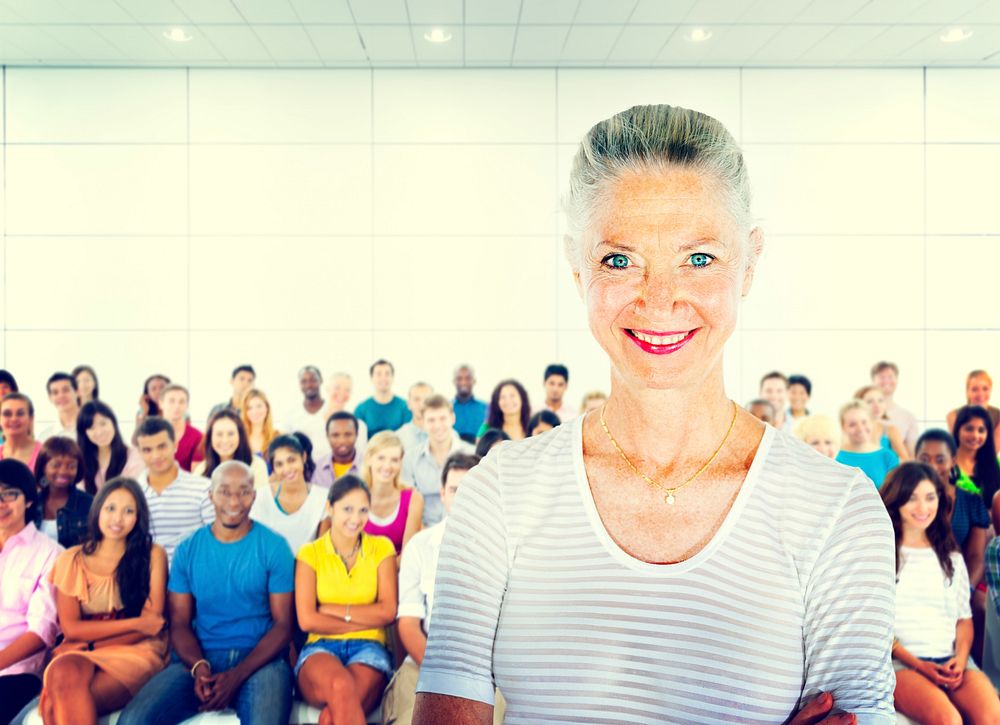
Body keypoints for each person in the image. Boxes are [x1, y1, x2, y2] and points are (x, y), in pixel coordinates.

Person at [413, 104, 895, 724]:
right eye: (620, 259)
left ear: (750, 263)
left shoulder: (833, 509)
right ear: (577, 265)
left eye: (699, 258)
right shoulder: (502, 492)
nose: (661, 297)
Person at [117, 461, 295, 725]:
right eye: (224, 491)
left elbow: (283, 626)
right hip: (200, 657)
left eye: (244, 491)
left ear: (254, 496)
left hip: (259, 660)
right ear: (210, 495)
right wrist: (199, 668)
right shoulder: (188, 548)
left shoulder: (274, 546)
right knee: (133, 720)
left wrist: (236, 676)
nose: (234, 500)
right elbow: (179, 622)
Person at [383, 452, 505, 725]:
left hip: (488, 674)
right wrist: (444, 677)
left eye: (470, 489)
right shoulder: (420, 546)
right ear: (442, 493)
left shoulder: (505, 548)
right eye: (454, 489)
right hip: (422, 665)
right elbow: (409, 625)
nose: (462, 496)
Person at [39, 478, 169, 725]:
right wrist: (135, 623)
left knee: (57, 707)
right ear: (97, 509)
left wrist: (90, 645)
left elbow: (150, 628)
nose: (117, 519)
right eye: (110, 508)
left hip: (136, 649)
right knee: (63, 671)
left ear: (138, 517)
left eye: (128, 511)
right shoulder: (71, 559)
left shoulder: (152, 554)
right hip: (80, 647)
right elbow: (72, 628)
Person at [882, 462, 1000, 723]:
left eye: (930, 497)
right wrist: (921, 665)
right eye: (912, 498)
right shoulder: (881, 555)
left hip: (951, 660)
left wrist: (960, 658)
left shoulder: (952, 559)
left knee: (993, 716)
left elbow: (964, 620)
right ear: (896, 501)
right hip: (902, 664)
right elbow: (876, 627)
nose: (923, 508)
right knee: (949, 720)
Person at [295, 475, 398, 724]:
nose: (356, 518)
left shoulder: (382, 548)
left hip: (370, 650)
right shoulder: (310, 553)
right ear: (330, 508)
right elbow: (308, 621)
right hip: (320, 648)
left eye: (363, 510)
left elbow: (387, 611)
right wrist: (366, 619)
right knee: (341, 685)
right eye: (347, 509)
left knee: (331, 717)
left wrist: (332, 610)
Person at [917, 428, 990, 667]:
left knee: (976, 608)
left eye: (940, 459)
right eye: (924, 459)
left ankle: (975, 667)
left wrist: (963, 591)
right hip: (920, 582)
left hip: (964, 579)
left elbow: (975, 555)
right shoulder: (908, 502)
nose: (932, 466)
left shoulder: (971, 502)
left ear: (953, 461)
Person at [0, 459, 62, 725]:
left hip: (16, 673)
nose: (1, 503)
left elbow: (41, 633)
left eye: (9, 494)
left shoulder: (50, 554)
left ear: (28, 500)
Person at [134, 418, 213, 562]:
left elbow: (214, 543)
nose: (156, 455)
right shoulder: (132, 494)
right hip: (145, 577)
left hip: (192, 577)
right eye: (147, 450)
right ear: (139, 452)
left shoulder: (204, 489)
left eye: (162, 446)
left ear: (175, 445)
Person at [250, 435, 328, 554]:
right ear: (273, 468)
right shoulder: (261, 497)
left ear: (304, 457)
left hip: (309, 568)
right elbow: (257, 546)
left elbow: (323, 550)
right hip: (270, 569)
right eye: (279, 464)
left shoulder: (322, 497)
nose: (287, 469)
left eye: (291, 460)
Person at [402, 397, 471, 528]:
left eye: (442, 418)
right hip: (423, 532)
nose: (438, 425)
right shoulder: (411, 458)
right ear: (423, 423)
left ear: (452, 419)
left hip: (463, 530)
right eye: (431, 420)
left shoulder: (471, 454)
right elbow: (408, 505)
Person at [363, 431, 424, 553]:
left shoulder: (413, 499)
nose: (387, 466)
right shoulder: (354, 497)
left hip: (400, 570)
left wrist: (385, 570)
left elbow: (408, 554)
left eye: (394, 460)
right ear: (369, 459)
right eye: (381, 458)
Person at [193, 410, 270, 494]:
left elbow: (260, 503)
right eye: (219, 434)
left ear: (240, 436)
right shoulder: (201, 470)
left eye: (231, 434)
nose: (225, 440)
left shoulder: (257, 466)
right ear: (210, 438)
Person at [33, 437, 91, 547]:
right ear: (43, 467)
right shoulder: (31, 503)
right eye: (56, 465)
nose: (63, 471)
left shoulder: (89, 504)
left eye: (71, 466)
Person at [78, 401, 144, 495]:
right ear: (84, 433)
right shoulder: (81, 462)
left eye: (103, 424)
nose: (99, 432)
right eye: (91, 428)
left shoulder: (134, 457)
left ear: (113, 422)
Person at [835, 400, 900, 488]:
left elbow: (896, 496)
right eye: (852, 424)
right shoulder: (836, 458)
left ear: (871, 423)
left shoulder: (888, 457)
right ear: (843, 427)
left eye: (864, 422)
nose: (860, 428)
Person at [952, 404, 1000, 507]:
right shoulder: (947, 467)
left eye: (981, 430)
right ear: (957, 430)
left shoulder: (996, 465)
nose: (975, 435)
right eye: (969, 429)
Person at [283, 366, 333, 461]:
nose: (309, 385)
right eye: (304, 381)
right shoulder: (291, 415)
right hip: (304, 468)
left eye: (313, 380)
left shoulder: (332, 410)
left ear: (321, 380)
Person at [871, 361, 919, 454]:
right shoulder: (862, 414)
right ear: (873, 381)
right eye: (882, 377)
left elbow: (912, 454)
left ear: (897, 380)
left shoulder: (908, 416)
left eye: (890, 377)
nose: (886, 381)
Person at [355, 360, 411, 436]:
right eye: (378, 374)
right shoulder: (361, 409)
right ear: (372, 378)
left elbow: (408, 437)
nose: (383, 378)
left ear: (392, 377)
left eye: (387, 374)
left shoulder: (405, 407)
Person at [947, 370, 1000, 450]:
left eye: (985, 389)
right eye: (975, 389)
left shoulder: (998, 416)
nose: (980, 394)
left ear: (991, 390)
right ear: (967, 392)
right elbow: (957, 447)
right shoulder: (953, 416)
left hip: (988, 461)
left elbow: (993, 450)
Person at [855, 385, 909, 461]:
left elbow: (905, 461)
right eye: (870, 401)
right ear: (858, 405)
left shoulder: (890, 430)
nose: (877, 405)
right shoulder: (851, 432)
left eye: (880, 400)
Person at [157, 384, 204, 472]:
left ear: (187, 406)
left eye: (182, 402)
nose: (177, 406)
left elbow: (196, 473)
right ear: (161, 403)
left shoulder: (197, 436)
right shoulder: (150, 433)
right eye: (171, 401)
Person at [311, 412, 364, 489]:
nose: (342, 441)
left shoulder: (367, 464)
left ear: (356, 435)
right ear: (327, 436)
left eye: (348, 434)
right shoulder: (319, 467)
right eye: (335, 435)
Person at [1, 393, 42, 470]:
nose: (14, 419)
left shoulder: (45, 454)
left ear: (31, 419)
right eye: (7, 414)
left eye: (20, 414)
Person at [242, 389, 280, 462]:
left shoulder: (277, 436)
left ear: (267, 408)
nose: (255, 412)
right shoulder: (240, 437)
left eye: (259, 406)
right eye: (249, 408)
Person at [452, 365, 487, 444]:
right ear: (454, 381)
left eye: (468, 378)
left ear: (474, 380)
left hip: (480, 454)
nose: (463, 382)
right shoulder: (446, 408)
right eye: (459, 378)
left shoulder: (486, 408)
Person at [39, 373, 80, 441]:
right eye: (55, 392)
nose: (61, 396)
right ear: (50, 398)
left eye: (66, 390)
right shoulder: (45, 437)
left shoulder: (94, 429)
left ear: (77, 392)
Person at [396, 383, 433, 457]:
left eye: (427, 400)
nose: (422, 404)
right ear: (409, 404)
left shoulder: (449, 434)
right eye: (416, 399)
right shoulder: (399, 437)